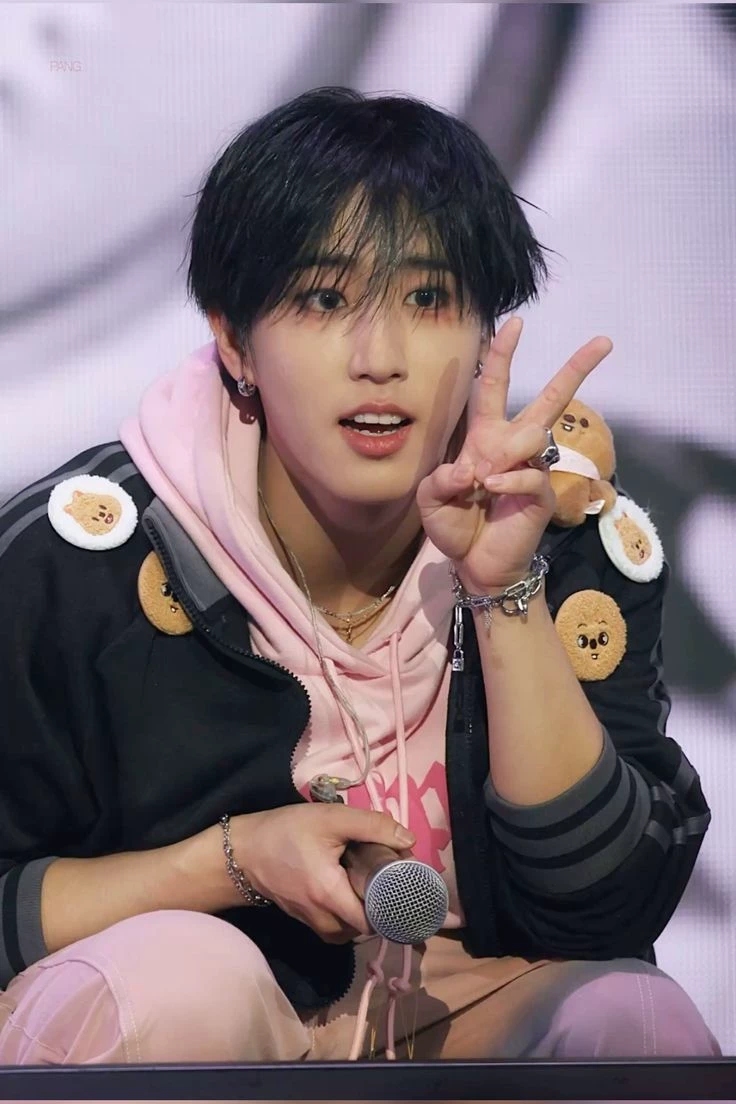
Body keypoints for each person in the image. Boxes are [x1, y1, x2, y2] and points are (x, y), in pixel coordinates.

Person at [0, 86, 721, 1078]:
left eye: (428, 300)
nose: (378, 360)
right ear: (233, 340)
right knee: (181, 987)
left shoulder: (566, 536)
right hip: (200, 1011)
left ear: (485, 333)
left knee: (633, 1025)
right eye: (323, 300)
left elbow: (606, 911)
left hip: (467, 1004)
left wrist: (504, 593)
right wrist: (228, 864)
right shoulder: (78, 564)